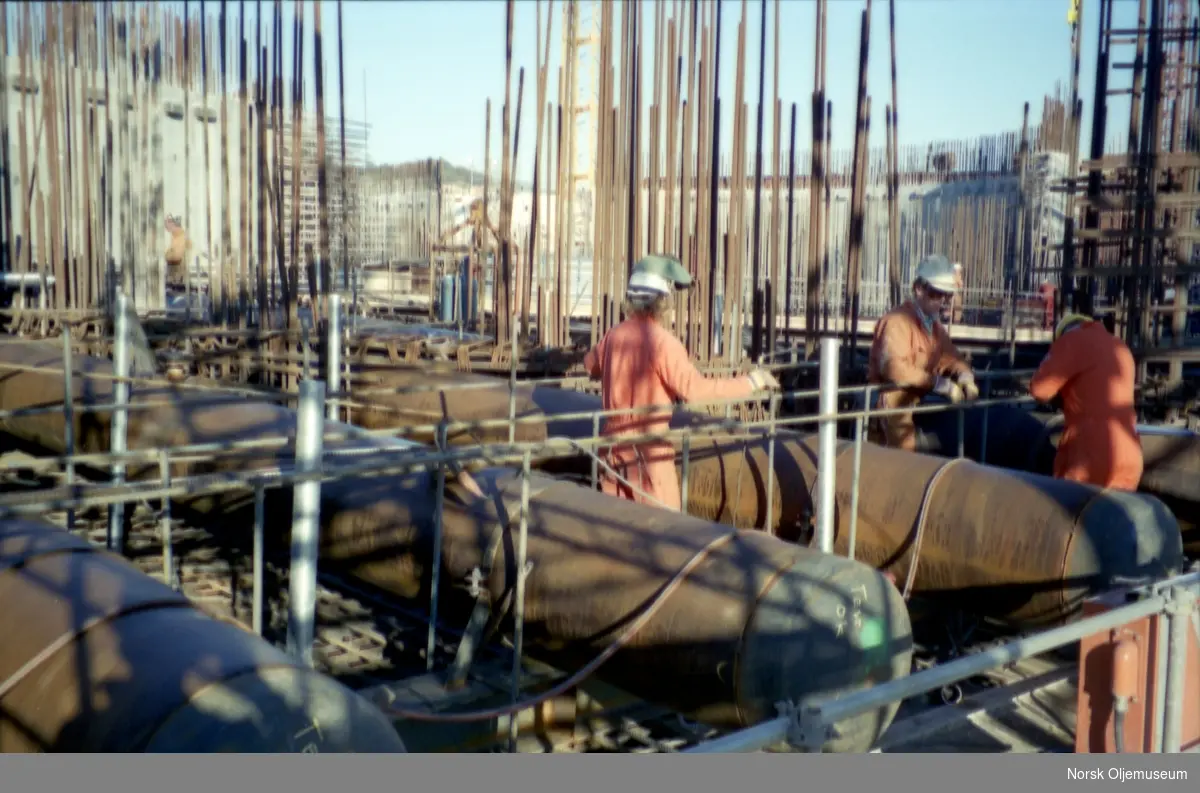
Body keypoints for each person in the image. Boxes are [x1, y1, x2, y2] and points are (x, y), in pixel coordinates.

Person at [582, 254, 781, 511]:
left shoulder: (612, 336)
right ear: (663, 301)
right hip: (648, 454)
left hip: (610, 450)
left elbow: (590, 365)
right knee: (663, 530)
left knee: (619, 527)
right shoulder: (663, 343)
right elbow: (696, 391)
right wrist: (751, 381)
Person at [866, 254, 980, 450]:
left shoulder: (933, 326)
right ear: (919, 289)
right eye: (936, 293)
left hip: (917, 399)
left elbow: (950, 355)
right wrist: (936, 382)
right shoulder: (897, 322)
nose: (941, 301)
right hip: (891, 400)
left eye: (945, 295)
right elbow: (895, 369)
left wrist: (964, 375)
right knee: (902, 453)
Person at [1028, 312, 1143, 491]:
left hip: (1091, 454)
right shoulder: (1120, 346)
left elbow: (1039, 389)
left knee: (1070, 515)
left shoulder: (1071, 340)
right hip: (1130, 452)